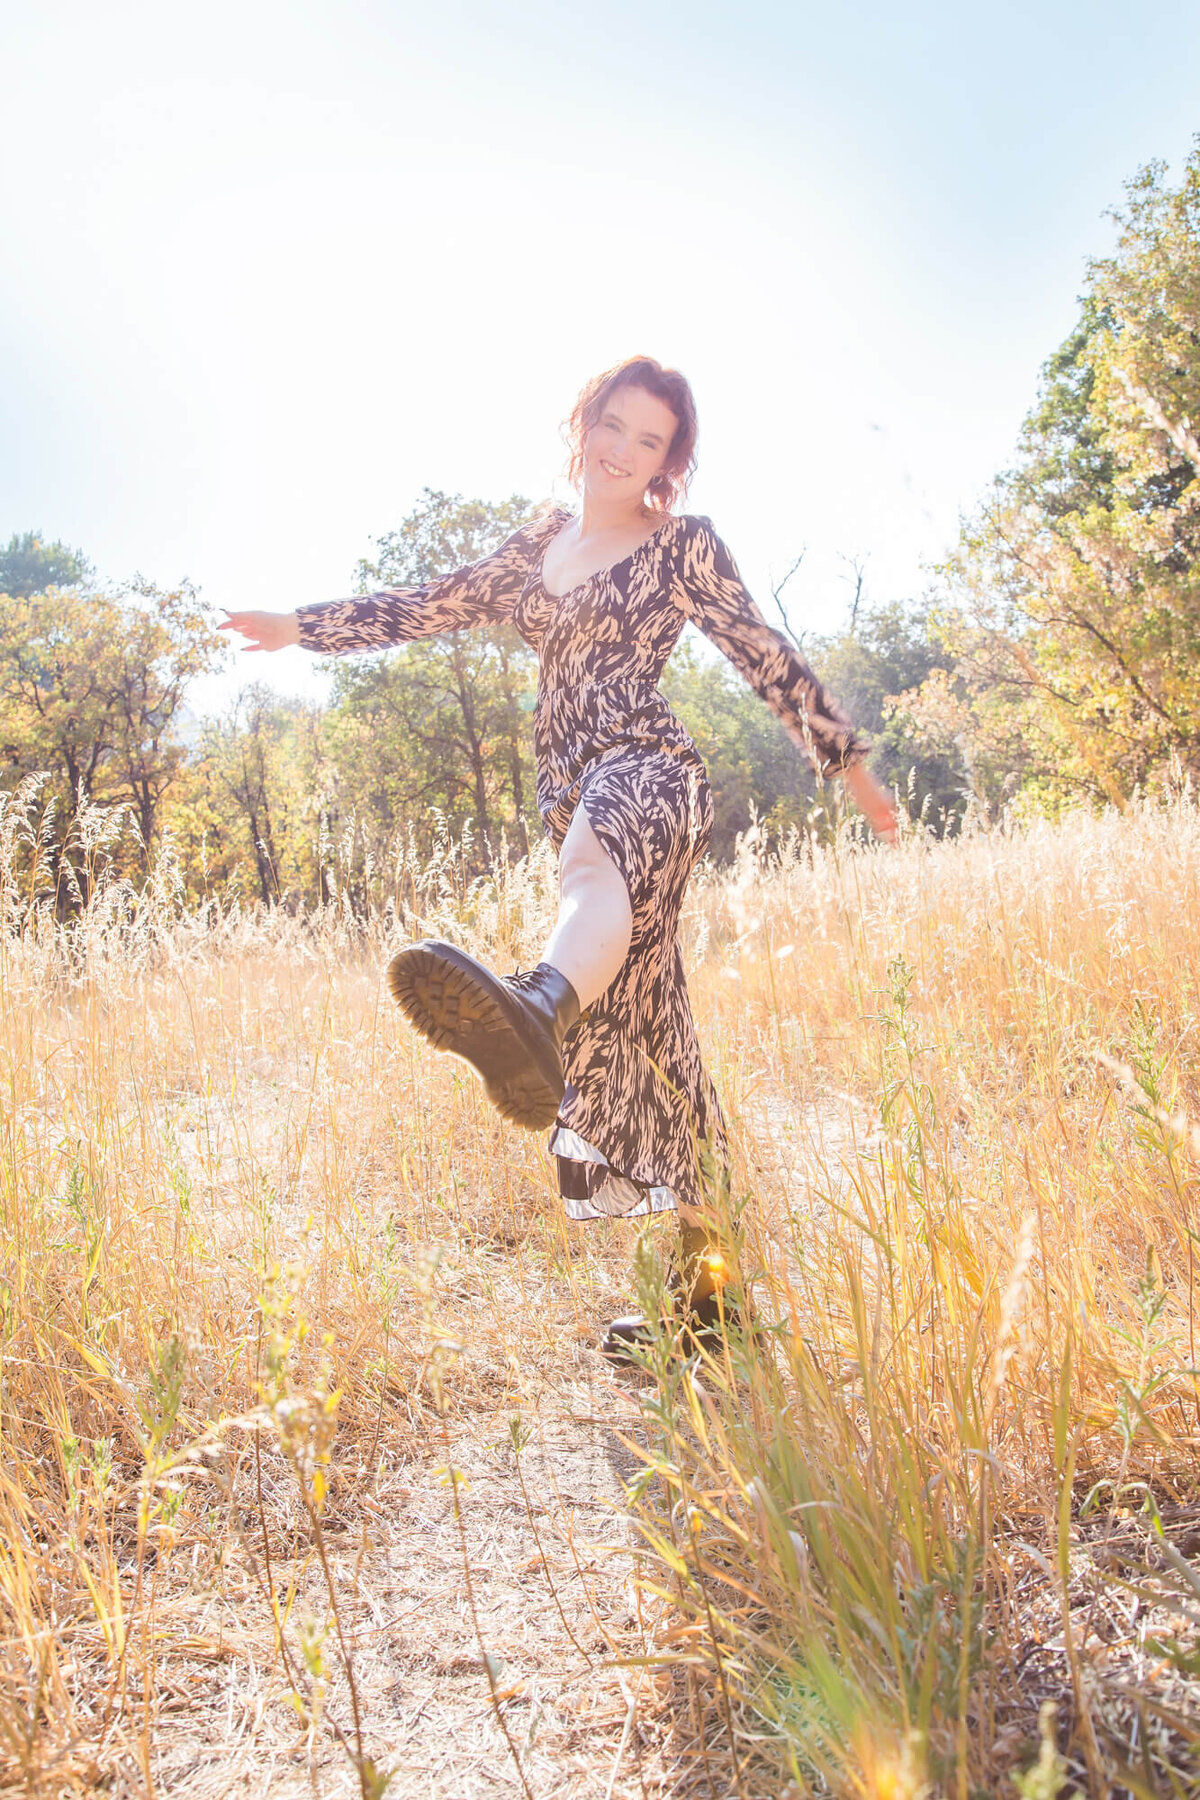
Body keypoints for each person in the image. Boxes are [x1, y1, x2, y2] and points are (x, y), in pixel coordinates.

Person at [220, 355, 897, 1358]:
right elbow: (431, 601)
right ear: (583, 423)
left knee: (591, 872)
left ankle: (535, 1004)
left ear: (672, 462)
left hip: (651, 771)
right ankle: (713, 1298)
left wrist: (851, 769)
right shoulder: (537, 546)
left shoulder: (682, 547)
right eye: (612, 425)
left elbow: (765, 653)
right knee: (653, 1042)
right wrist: (297, 628)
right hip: (569, 789)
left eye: (649, 440)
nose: (622, 450)